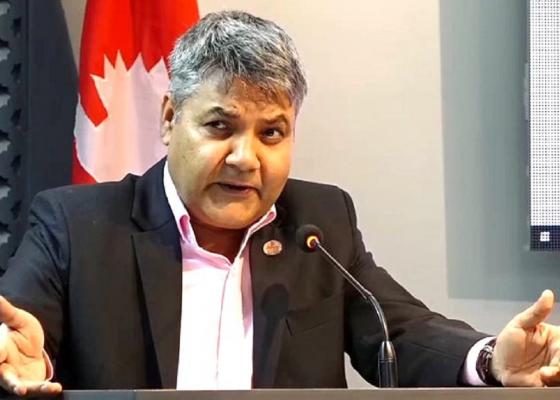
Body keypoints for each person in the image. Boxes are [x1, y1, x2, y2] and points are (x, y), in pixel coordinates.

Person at [0, 10, 559, 396]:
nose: (246, 158)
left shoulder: (318, 224)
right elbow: (19, 333)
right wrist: (17, 360)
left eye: (271, 133)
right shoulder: (76, 226)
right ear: (170, 119)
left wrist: (491, 360)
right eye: (220, 126)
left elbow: (400, 331)